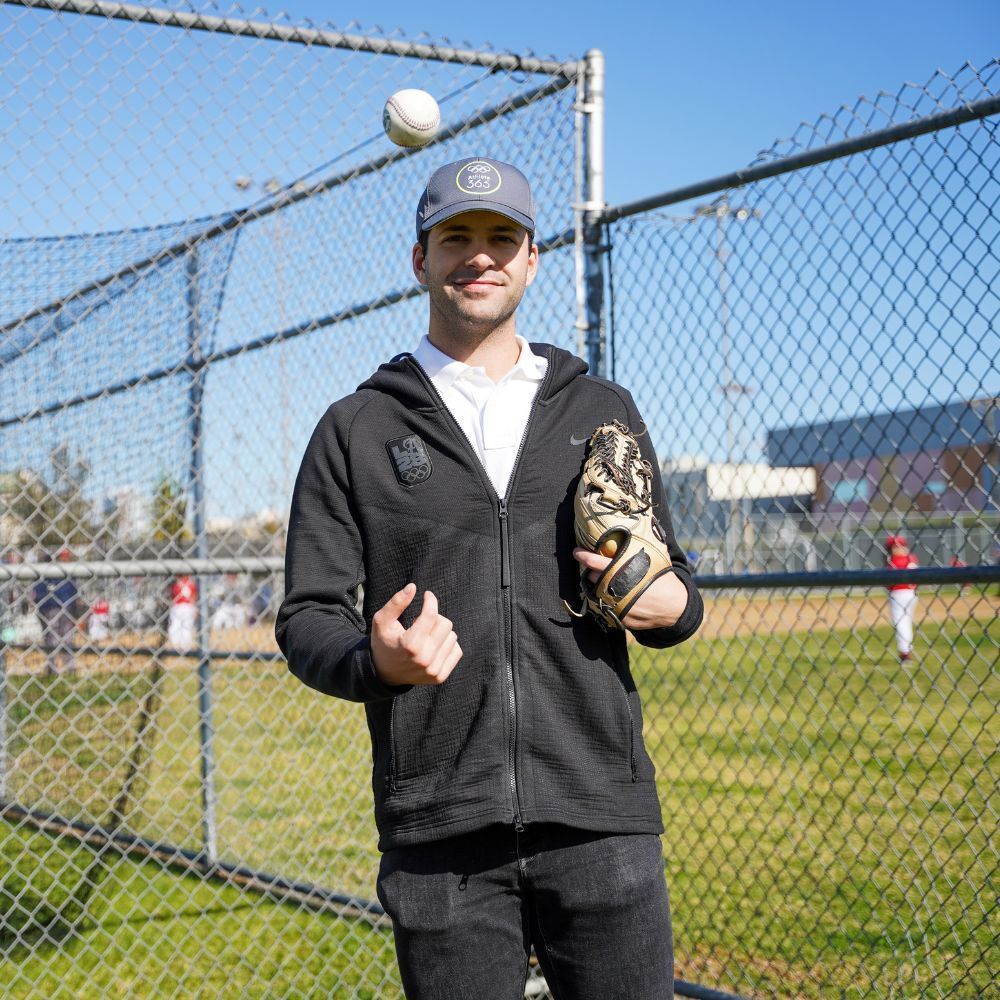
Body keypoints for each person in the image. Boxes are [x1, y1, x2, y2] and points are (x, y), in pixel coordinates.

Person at [276, 156, 703, 999]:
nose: (480, 255)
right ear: (420, 259)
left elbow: (674, 577)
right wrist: (374, 661)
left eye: (502, 237)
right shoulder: (357, 426)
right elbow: (307, 615)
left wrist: (675, 606)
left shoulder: (600, 410)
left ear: (532, 259)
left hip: (599, 814)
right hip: (440, 828)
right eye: (456, 238)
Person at [32, 548, 81, 674]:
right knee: (62, 637)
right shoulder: (61, 570)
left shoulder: (44, 571)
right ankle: (63, 667)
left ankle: (55, 667)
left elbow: (37, 592)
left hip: (54, 606)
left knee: (55, 637)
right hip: (60, 605)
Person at [885, 534, 918, 662]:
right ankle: (906, 650)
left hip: (898, 595)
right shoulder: (911, 559)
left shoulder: (893, 562)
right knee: (906, 622)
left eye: (892, 547)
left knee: (900, 623)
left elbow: (888, 583)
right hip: (911, 594)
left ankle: (905, 653)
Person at [168, 572, 197, 650]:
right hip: (178, 606)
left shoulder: (189, 583)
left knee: (186, 627)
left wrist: (194, 608)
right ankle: (175, 646)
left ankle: (184, 646)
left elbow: (193, 597)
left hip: (186, 607)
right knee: (175, 626)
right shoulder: (177, 584)